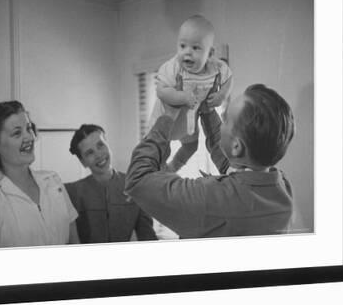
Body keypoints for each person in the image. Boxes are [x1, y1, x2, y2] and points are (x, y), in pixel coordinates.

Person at [125, 84, 295, 238]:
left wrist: (167, 117)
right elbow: (230, 161)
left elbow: (137, 179)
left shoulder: (209, 198)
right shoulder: (280, 184)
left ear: (237, 146)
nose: (222, 121)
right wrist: (207, 111)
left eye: (226, 119)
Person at [0, 100, 79, 249]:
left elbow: (75, 243)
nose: (29, 137)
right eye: (17, 133)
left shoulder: (53, 181)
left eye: (29, 128)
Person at [149, 14, 233, 172]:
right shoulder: (173, 67)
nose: (187, 52)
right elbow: (161, 90)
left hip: (188, 121)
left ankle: (172, 168)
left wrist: (221, 96)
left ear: (210, 53)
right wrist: (180, 97)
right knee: (161, 152)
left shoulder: (216, 67)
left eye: (195, 48)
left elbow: (229, 79)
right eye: (182, 46)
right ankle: (157, 172)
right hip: (166, 121)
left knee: (191, 146)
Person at [66, 124, 157, 244]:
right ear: (83, 162)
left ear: (108, 145)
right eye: (89, 153)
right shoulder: (71, 193)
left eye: (101, 145)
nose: (98, 155)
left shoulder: (135, 186)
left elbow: (147, 237)